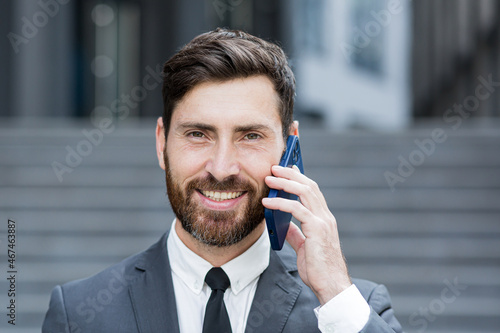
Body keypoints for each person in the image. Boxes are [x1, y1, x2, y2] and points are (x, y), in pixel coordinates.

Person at [42, 28, 402, 333]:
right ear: (161, 142)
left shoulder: (351, 311)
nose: (222, 167)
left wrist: (336, 294)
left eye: (250, 136)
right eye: (198, 134)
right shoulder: (78, 315)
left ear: (290, 145)